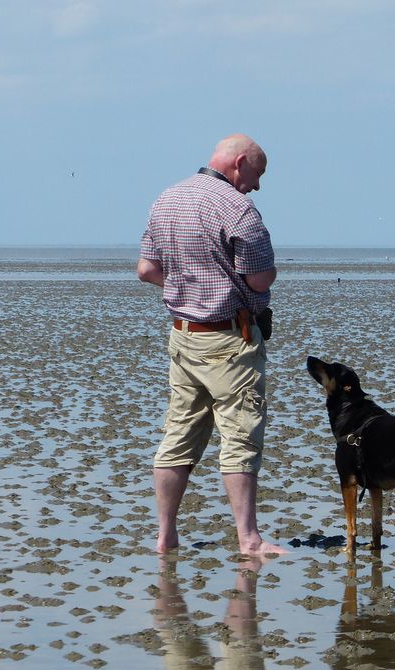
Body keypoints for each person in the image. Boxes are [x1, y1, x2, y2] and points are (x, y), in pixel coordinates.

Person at [137, 133, 287, 556]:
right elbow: (259, 279)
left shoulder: (166, 199)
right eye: (256, 175)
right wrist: (227, 285)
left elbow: (147, 269)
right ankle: (249, 539)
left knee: (178, 434)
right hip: (228, 339)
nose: (256, 186)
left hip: (183, 336)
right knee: (240, 435)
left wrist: (187, 286)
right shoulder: (239, 208)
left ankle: (166, 536)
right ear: (239, 163)